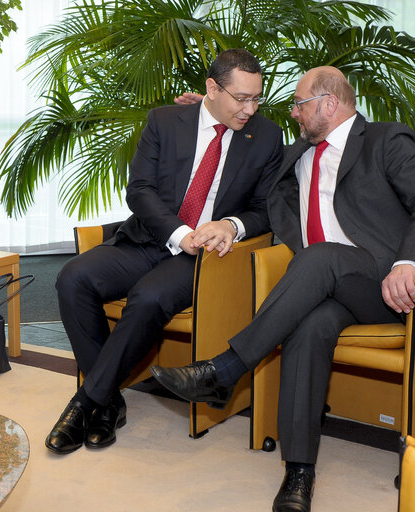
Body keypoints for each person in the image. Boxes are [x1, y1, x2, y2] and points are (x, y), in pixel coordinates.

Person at [150, 66, 415, 512]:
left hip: (386, 286)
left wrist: (407, 263)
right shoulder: (297, 152)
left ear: (329, 103)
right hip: (327, 289)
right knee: (309, 326)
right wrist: (204, 113)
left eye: (300, 104)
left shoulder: (385, 141)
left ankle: (225, 369)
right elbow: (251, 154)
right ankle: (299, 472)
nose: (294, 113)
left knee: (320, 256)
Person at [46, 49, 284, 454]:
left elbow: (266, 209)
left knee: (149, 297)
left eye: (256, 98)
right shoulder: (164, 121)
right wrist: (178, 231)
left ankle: (88, 401)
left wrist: (230, 225)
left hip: (206, 257)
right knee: (73, 278)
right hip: (150, 237)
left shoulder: (266, 136)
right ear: (212, 88)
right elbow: (139, 189)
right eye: (241, 98)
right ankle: (109, 401)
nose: (250, 108)